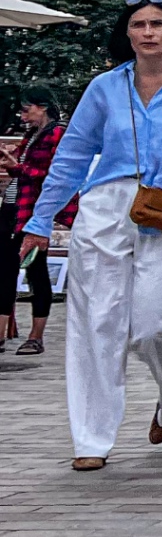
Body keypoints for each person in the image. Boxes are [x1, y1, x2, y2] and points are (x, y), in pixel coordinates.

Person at [27, 0, 162, 471]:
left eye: (157, 24)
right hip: (106, 206)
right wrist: (40, 219)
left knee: (154, 322)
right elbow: (74, 155)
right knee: (94, 322)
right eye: (137, 24)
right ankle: (91, 438)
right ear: (127, 34)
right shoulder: (105, 87)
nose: (147, 32)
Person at [3, 90, 70, 355]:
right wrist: (10, 162)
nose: (22, 115)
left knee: (36, 270)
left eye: (26, 109)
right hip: (15, 205)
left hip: (34, 209)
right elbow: (18, 164)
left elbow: (55, 172)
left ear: (41, 108)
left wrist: (18, 168)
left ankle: (36, 335)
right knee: (7, 267)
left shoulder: (57, 133)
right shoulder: (30, 136)